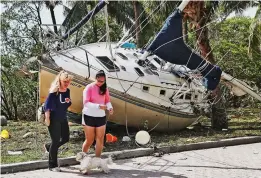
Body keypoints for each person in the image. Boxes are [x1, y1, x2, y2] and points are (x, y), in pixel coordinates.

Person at [43, 70, 73, 172]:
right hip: (54, 119)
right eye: (65, 81)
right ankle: (52, 165)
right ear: (60, 80)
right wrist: (47, 119)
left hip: (63, 118)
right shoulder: (54, 91)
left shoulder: (67, 91)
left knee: (65, 138)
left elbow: (67, 103)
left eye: (68, 82)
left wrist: (69, 102)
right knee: (55, 141)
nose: (67, 84)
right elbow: (47, 106)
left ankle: (48, 147)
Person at [82, 70, 113, 157]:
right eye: (99, 81)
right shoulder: (89, 87)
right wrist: (98, 106)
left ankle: (97, 160)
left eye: (102, 82)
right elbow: (86, 103)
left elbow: (107, 101)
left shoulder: (105, 88)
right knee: (89, 140)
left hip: (100, 117)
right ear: (96, 78)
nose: (100, 83)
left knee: (100, 139)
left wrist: (110, 108)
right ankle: (83, 159)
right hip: (89, 116)